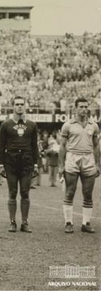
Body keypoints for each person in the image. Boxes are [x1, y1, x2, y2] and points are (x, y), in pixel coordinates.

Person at [59, 98, 100, 233]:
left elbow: (95, 146)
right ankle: (68, 222)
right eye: (81, 107)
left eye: (85, 107)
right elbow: (63, 146)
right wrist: (61, 165)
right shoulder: (68, 125)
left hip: (88, 158)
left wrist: (98, 164)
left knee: (88, 193)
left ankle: (85, 223)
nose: (83, 109)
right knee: (70, 191)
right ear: (76, 108)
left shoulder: (93, 125)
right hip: (72, 157)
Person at [0, 96, 39, 233]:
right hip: (11, 160)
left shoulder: (32, 125)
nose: (20, 106)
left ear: (25, 106)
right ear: (12, 106)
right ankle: (12, 222)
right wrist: (1, 164)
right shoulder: (6, 124)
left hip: (26, 160)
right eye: (17, 104)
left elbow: (34, 146)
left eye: (22, 104)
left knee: (25, 192)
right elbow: (1, 146)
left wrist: (36, 164)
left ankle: (25, 222)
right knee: (12, 192)